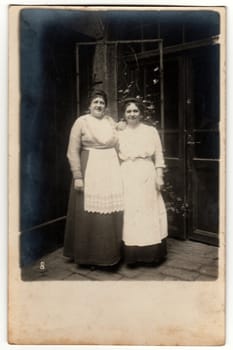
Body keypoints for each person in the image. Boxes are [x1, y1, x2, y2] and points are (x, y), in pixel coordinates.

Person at [63, 90, 123, 268]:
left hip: (111, 169)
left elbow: (122, 139)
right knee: (89, 214)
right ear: (89, 106)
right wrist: (78, 176)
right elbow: (72, 150)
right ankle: (88, 256)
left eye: (102, 102)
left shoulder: (110, 122)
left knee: (110, 211)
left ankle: (110, 254)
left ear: (106, 106)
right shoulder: (81, 122)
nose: (99, 105)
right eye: (95, 102)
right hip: (89, 167)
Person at [118, 98, 168, 266]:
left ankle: (151, 254)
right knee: (130, 212)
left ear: (141, 113)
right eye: (128, 111)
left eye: (135, 111)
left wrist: (159, 175)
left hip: (146, 172)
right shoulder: (118, 133)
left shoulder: (150, 131)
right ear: (124, 114)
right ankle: (132, 255)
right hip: (127, 174)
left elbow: (159, 155)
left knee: (148, 211)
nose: (132, 114)